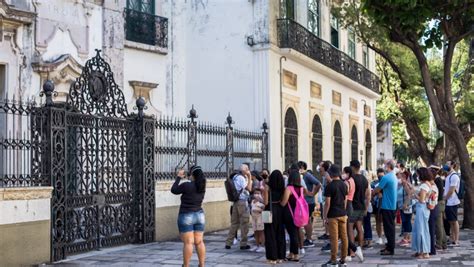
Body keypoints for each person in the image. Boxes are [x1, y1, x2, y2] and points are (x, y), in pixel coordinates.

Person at [171, 166, 207, 267]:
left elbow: (174, 190)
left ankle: (186, 266)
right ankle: (202, 265)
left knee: (188, 243)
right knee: (199, 242)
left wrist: (178, 177)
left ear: (192, 175)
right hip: (199, 215)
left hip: (186, 215)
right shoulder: (202, 186)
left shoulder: (187, 185)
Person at [280, 171, 316, 262]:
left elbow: (284, 203)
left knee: (293, 234)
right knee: (295, 232)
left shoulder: (289, 188)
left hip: (289, 213)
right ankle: (291, 253)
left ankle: (296, 255)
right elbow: (308, 195)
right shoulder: (301, 188)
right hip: (298, 213)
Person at [323, 164, 349, 266]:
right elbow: (345, 200)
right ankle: (343, 258)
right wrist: (344, 210)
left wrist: (325, 216)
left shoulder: (330, 186)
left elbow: (327, 203)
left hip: (333, 215)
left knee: (334, 238)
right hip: (343, 213)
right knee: (344, 237)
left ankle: (333, 260)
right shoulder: (344, 185)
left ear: (331, 173)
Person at [225, 164, 253, 250]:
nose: (248, 170)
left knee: (234, 223)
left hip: (235, 202)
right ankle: (243, 244)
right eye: (247, 169)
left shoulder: (235, 176)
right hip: (242, 202)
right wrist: (249, 177)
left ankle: (228, 243)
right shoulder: (241, 178)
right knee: (244, 223)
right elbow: (249, 188)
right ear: (244, 170)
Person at [374, 159, 398, 256]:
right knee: (390, 227)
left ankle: (390, 248)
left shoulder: (386, 177)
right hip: (392, 205)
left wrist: (373, 192)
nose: (384, 167)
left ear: (388, 166)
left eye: (385, 165)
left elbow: (377, 189)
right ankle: (389, 246)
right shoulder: (393, 176)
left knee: (388, 228)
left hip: (387, 206)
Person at [347, 160, 368, 261]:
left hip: (353, 206)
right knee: (359, 228)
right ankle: (360, 248)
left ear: (353, 167)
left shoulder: (352, 178)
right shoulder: (364, 179)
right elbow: (368, 194)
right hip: (362, 206)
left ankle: (352, 251)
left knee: (350, 227)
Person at [263, 170, 286, 264]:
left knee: (270, 234)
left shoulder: (267, 187)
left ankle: (272, 257)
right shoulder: (283, 188)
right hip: (280, 210)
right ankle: (281, 256)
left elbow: (265, 202)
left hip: (270, 210)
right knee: (280, 233)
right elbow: (282, 201)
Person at [297, 161, 321, 248]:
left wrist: (312, 193)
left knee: (307, 221)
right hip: (303, 201)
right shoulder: (301, 176)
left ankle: (309, 239)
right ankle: (307, 238)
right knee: (306, 221)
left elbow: (318, 183)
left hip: (308, 201)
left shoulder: (307, 175)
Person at [411, 167, 433, 259]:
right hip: (424, 209)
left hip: (422, 208)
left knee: (421, 230)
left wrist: (414, 193)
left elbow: (421, 200)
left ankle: (423, 251)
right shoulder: (428, 184)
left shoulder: (424, 186)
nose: (417, 176)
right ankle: (421, 250)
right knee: (421, 229)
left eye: (418, 174)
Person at [443, 161, 461, 247]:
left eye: (448, 164)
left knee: (454, 221)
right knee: (450, 221)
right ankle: (452, 238)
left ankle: (456, 239)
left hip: (453, 201)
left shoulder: (454, 176)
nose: (446, 165)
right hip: (448, 202)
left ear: (452, 165)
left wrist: (445, 198)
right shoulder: (448, 176)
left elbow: (452, 189)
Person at [431, 165, 447, 250]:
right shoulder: (438, 179)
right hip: (440, 203)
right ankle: (443, 243)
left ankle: (439, 243)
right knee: (440, 225)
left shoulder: (437, 180)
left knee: (438, 225)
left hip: (439, 203)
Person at [318, 161, 333, 252]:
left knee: (328, 220)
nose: (319, 167)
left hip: (327, 199)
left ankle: (331, 243)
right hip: (325, 199)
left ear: (324, 167)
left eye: (320, 166)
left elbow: (331, 184)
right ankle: (330, 240)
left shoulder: (327, 175)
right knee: (328, 222)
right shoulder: (324, 175)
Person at [398, 170, 414, 247]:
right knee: (406, 221)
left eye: (400, 175)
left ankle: (406, 238)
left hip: (405, 206)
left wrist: (405, 204)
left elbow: (409, 194)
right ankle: (407, 237)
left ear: (404, 177)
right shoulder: (405, 183)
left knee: (406, 222)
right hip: (404, 206)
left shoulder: (405, 184)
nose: (398, 177)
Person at [428, 167, 440, 255]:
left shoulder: (433, 187)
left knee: (431, 230)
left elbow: (431, 202)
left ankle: (432, 249)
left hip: (432, 209)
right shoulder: (431, 186)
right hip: (433, 209)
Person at [372, 168, 385, 245]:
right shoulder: (374, 183)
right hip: (377, 205)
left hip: (385, 204)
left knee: (385, 222)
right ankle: (380, 237)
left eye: (381, 173)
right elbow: (372, 192)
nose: (380, 175)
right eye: (379, 173)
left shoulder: (386, 182)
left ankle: (385, 237)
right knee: (378, 221)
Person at [251, 188, 265, 253]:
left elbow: (264, 209)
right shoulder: (252, 201)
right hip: (254, 218)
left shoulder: (261, 202)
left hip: (260, 218)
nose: (256, 195)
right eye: (255, 193)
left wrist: (259, 210)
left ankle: (262, 246)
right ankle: (257, 245)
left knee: (261, 232)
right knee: (255, 232)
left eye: (258, 193)